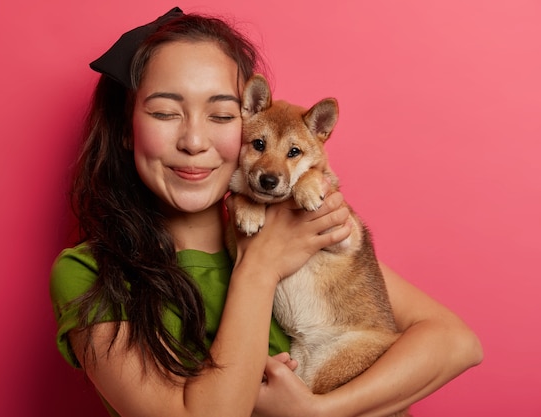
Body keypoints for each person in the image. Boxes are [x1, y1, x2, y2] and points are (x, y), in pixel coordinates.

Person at [50, 7, 482, 417]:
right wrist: (260, 268)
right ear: (126, 129)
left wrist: (319, 410)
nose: (194, 141)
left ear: (249, 118)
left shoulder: (296, 229)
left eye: (221, 114)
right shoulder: (89, 273)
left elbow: (456, 342)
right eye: (165, 112)